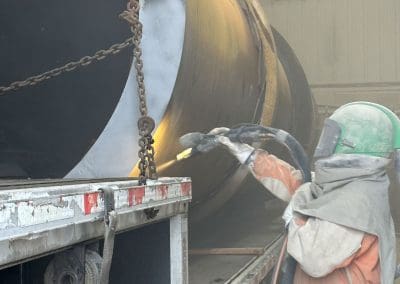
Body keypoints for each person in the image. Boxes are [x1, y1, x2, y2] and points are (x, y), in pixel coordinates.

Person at [206, 102, 400, 283]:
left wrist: (295, 216)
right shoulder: (353, 184)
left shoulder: (355, 208)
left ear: (352, 143)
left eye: (331, 136)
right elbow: (298, 182)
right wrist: (246, 154)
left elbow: (314, 259)